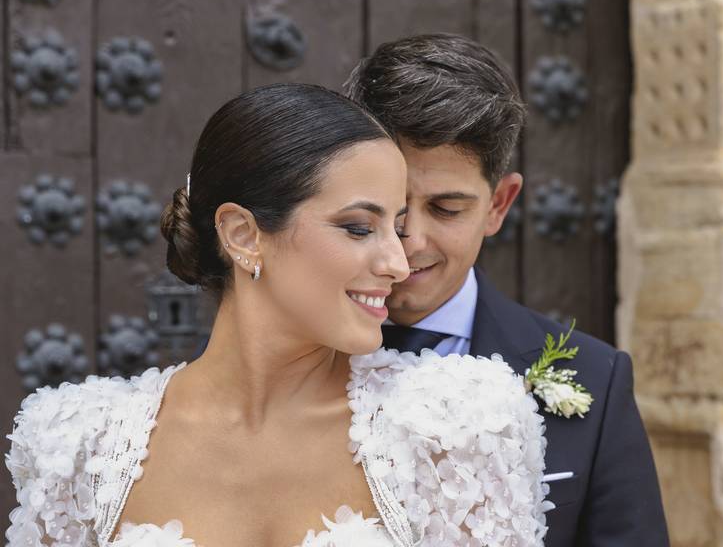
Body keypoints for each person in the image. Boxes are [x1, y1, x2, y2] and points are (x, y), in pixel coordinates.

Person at [5, 83, 550, 547]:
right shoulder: (75, 445)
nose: (398, 262)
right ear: (244, 235)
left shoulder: (460, 428)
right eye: (360, 227)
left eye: (397, 225)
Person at [344, 34, 671, 547]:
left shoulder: (595, 379)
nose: (410, 241)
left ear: (499, 204)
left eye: (448, 209)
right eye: (390, 206)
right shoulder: (280, 355)